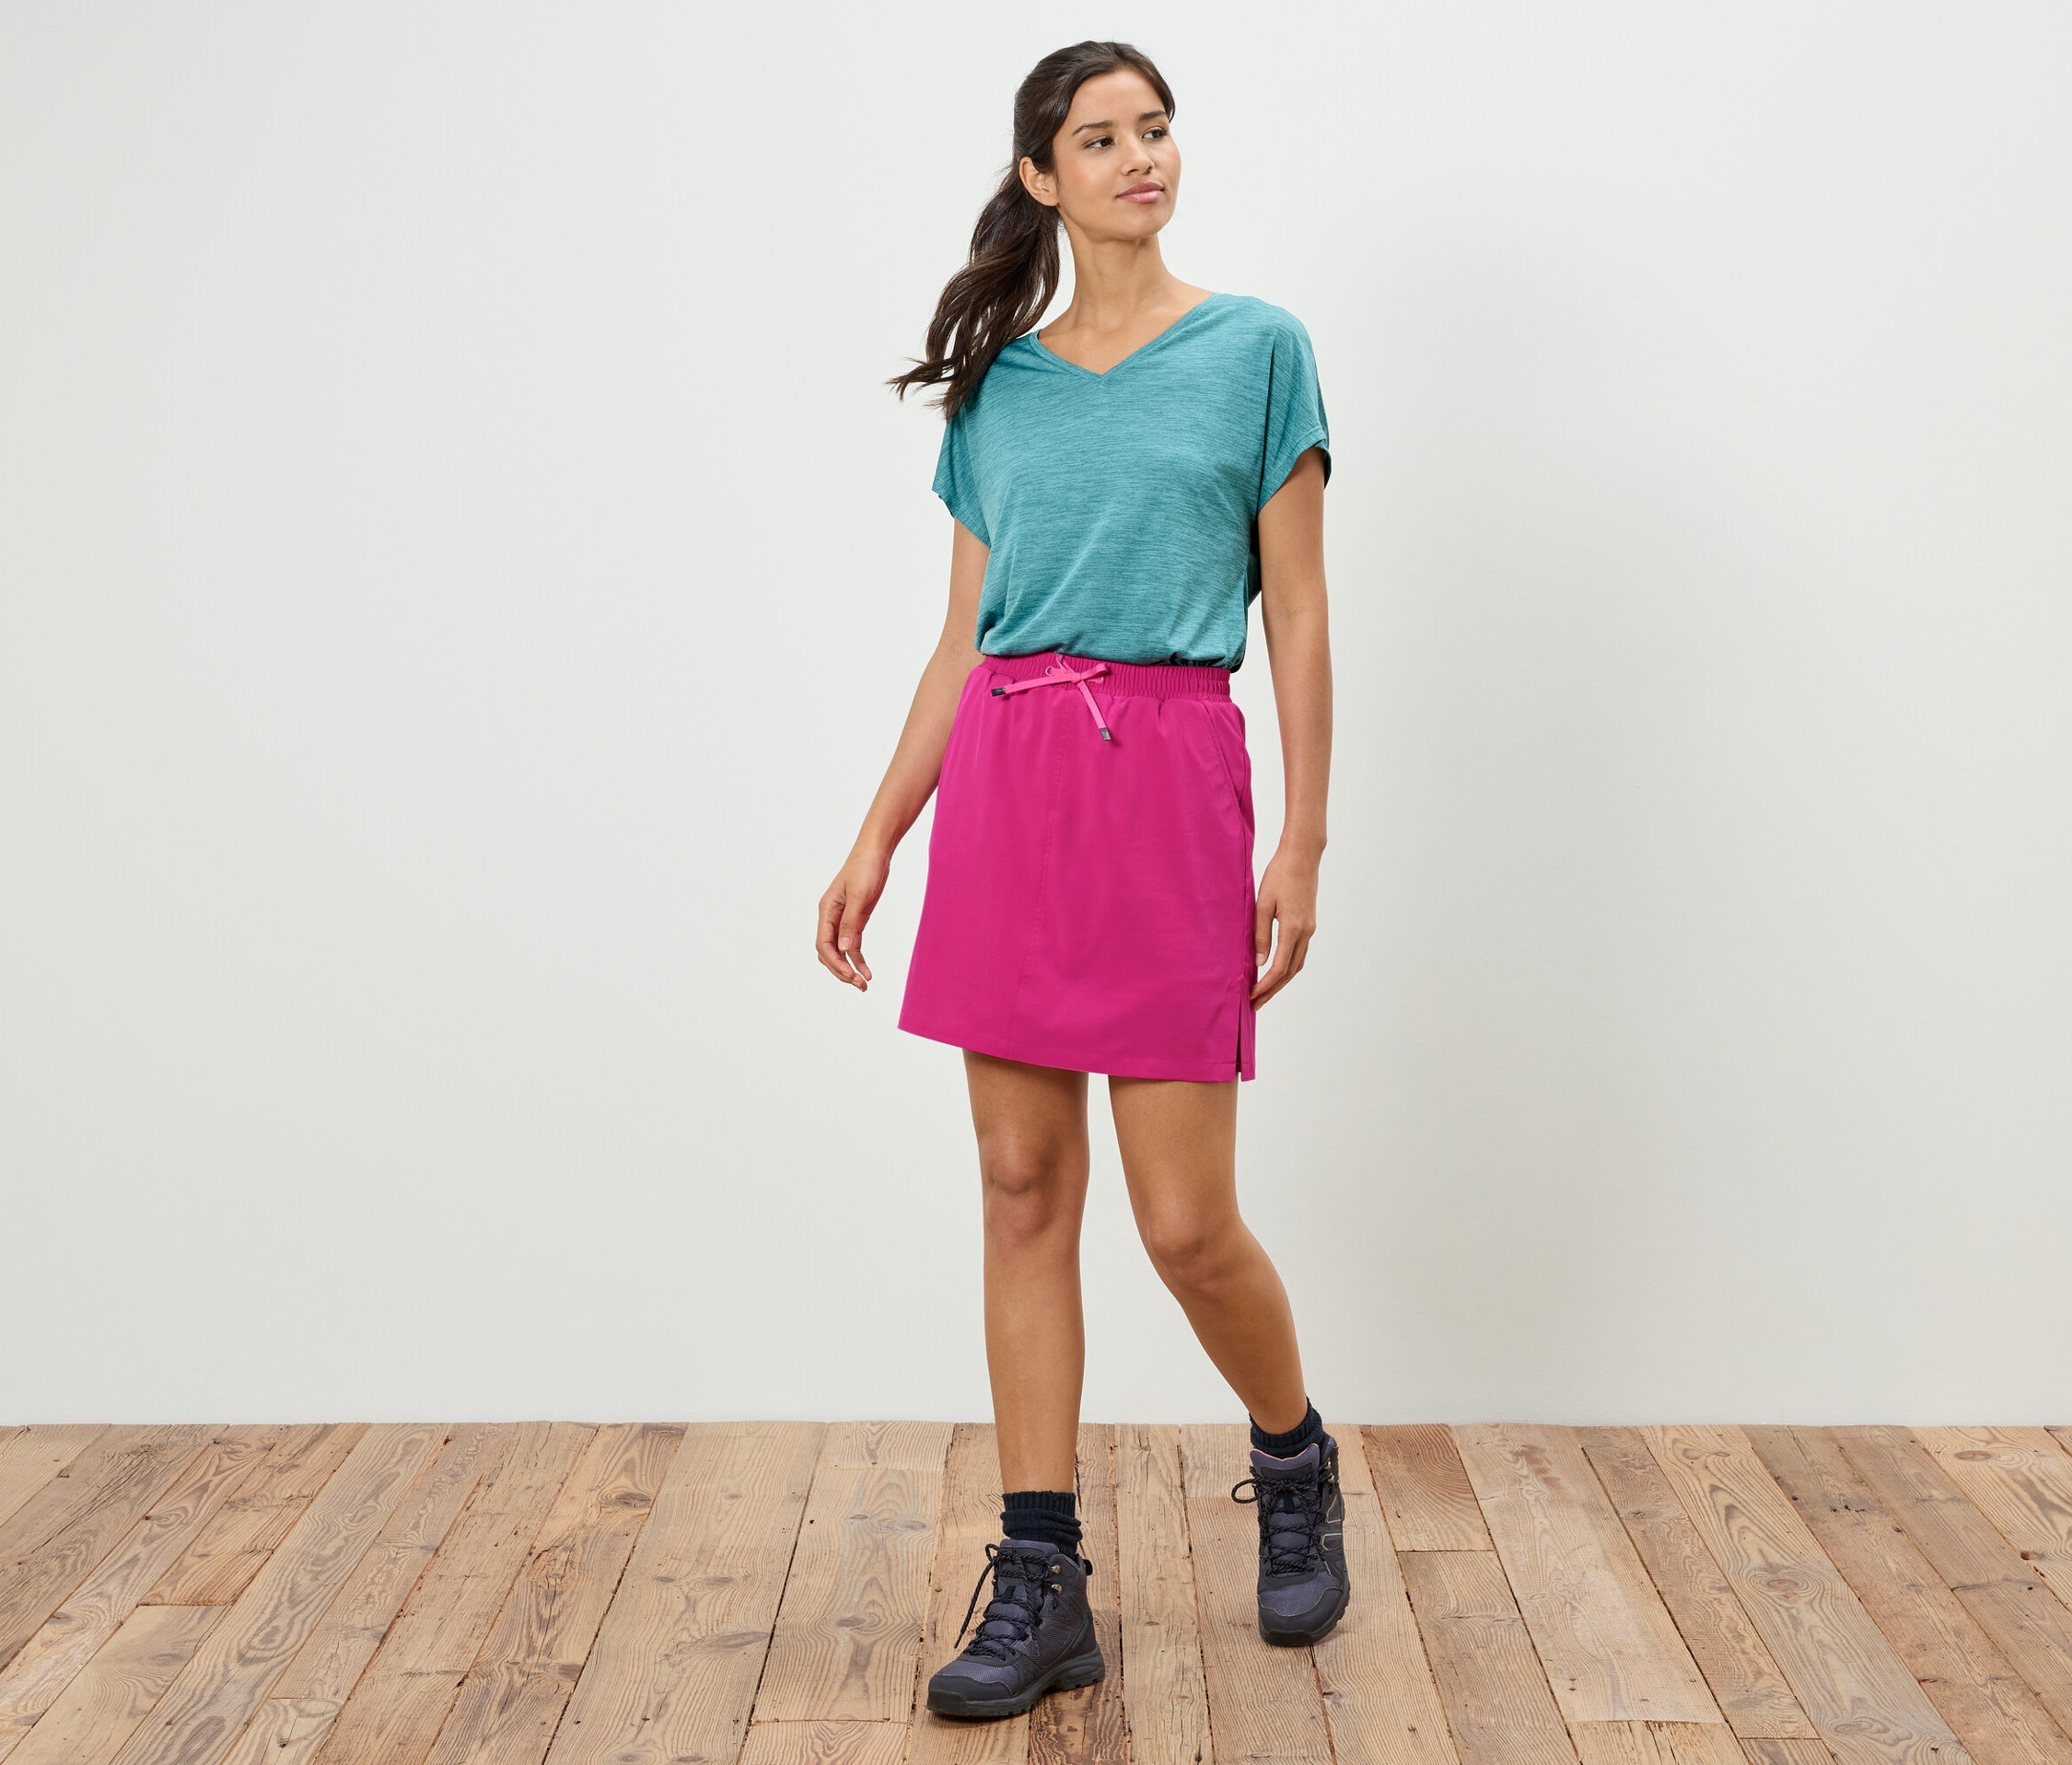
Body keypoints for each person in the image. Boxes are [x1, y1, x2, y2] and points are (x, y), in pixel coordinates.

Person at [816, 39, 1345, 1720]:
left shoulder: (1259, 353)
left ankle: (1293, 1454)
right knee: (1024, 1189)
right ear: (1040, 175)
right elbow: (963, 642)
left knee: (1185, 1220)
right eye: (1101, 138)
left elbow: (1301, 616)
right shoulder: (1001, 388)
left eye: (1157, 130)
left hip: (1174, 780)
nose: (1141, 158)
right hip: (1012, 795)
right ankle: (1039, 1572)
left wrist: (1303, 837)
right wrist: (878, 830)